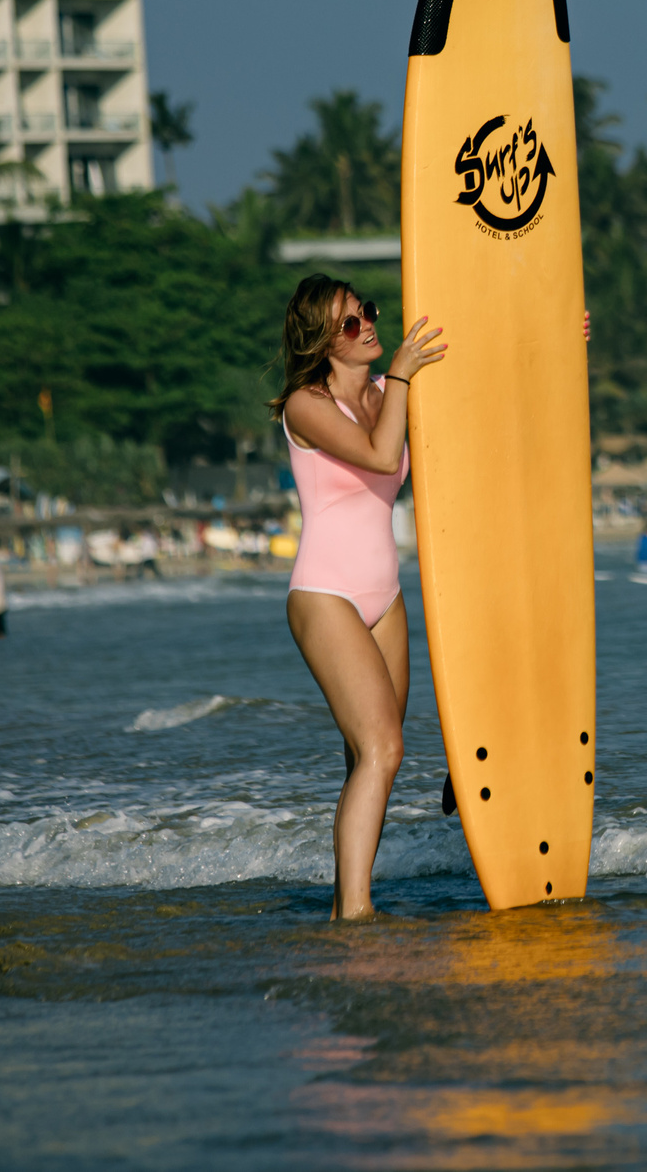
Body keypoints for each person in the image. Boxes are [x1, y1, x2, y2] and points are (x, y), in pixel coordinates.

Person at [274, 275, 446, 922]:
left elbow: (481, 391)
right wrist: (400, 377)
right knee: (384, 749)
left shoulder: (386, 391)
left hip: (385, 594)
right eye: (349, 323)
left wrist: (556, 339)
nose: (369, 325)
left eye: (366, 312)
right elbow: (379, 456)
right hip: (327, 593)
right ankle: (355, 912)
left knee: (371, 755)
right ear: (321, 340)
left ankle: (349, 897)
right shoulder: (305, 405)